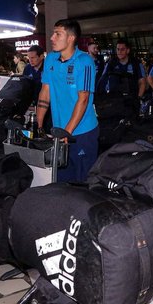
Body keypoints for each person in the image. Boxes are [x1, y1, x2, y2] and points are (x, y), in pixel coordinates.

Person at [36, 18, 98, 182]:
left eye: (58, 34)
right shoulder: (50, 59)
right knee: (61, 181)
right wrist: (39, 124)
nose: (52, 38)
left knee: (82, 182)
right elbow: (45, 92)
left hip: (82, 133)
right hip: (59, 133)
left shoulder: (84, 62)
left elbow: (83, 99)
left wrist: (67, 132)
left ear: (71, 38)